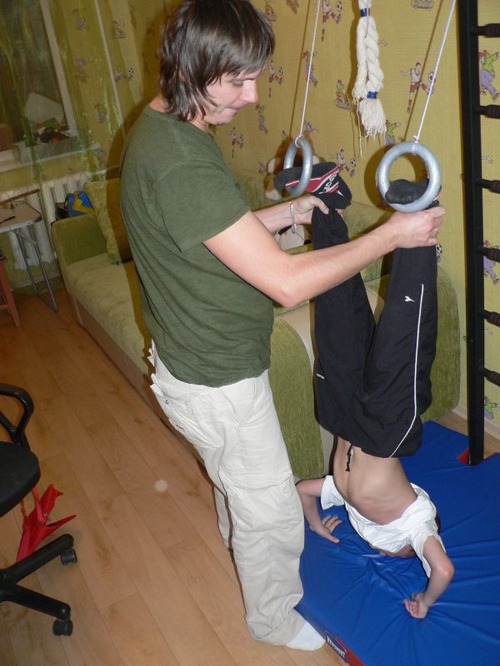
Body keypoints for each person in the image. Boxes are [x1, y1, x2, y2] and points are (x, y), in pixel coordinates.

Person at [119, 0, 445, 649]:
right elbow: (286, 283)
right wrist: (392, 236)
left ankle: (236, 530)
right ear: (190, 69)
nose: (251, 96)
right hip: (218, 378)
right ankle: (272, 618)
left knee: (237, 482)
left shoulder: (164, 130)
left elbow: (214, 230)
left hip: (194, 365)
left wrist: (291, 212)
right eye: (238, 81)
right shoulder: (181, 160)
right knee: (269, 511)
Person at [288, 172, 454, 619]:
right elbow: (443, 569)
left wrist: (316, 524)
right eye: (400, 554)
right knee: (404, 334)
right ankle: (419, 212)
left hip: (343, 415)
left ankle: (328, 204)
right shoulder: (414, 524)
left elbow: (302, 491)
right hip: (385, 429)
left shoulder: (343, 498)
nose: (392, 555)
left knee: (336, 318)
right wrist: (424, 602)